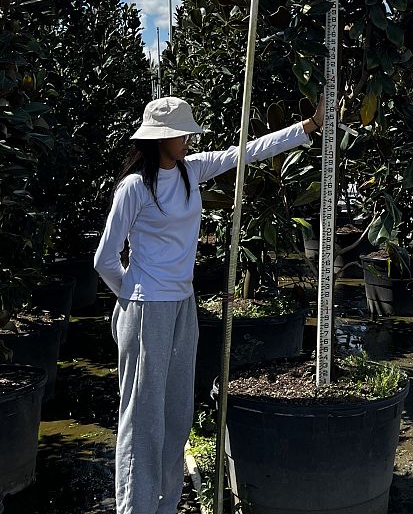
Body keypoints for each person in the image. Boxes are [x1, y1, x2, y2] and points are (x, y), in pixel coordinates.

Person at [94, 95, 322, 514]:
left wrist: (307, 126)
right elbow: (104, 259)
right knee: (143, 420)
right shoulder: (134, 187)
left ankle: (164, 505)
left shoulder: (190, 171)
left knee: (177, 412)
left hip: (184, 304)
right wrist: (134, 296)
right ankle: (135, 508)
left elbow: (246, 152)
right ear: (158, 139)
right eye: (179, 133)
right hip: (147, 310)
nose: (186, 139)